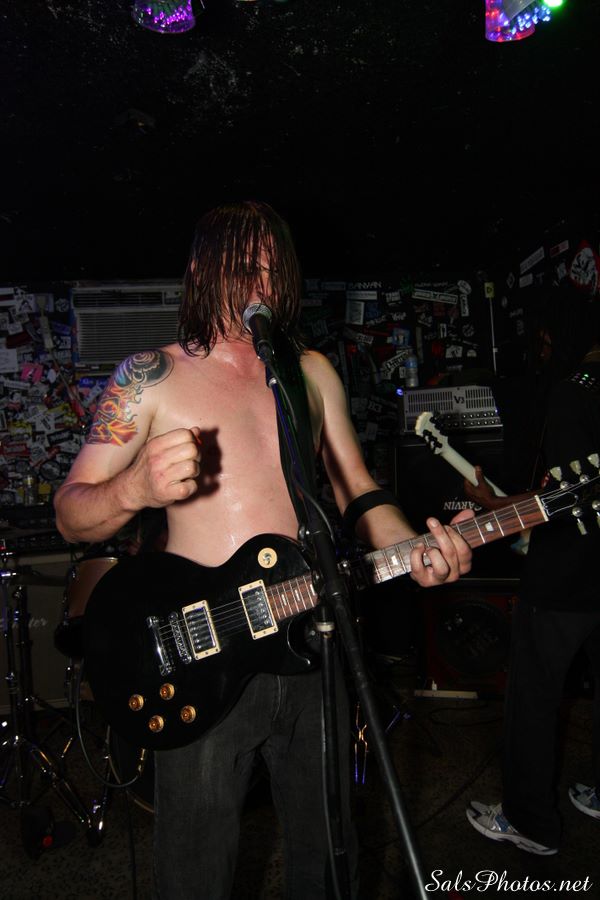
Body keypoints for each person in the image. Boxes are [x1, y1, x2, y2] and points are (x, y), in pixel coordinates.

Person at [54, 200, 472, 899]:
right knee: (197, 864)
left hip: (312, 633)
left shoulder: (310, 373)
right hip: (203, 649)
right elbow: (71, 513)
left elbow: (358, 490)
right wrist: (133, 487)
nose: (261, 285)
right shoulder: (148, 375)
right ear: (200, 272)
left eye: (274, 270)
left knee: (330, 846)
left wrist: (413, 550)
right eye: (243, 266)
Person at [464, 290, 600, 855]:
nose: (541, 351)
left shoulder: (571, 393)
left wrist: (488, 503)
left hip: (565, 576)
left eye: (544, 341)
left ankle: (530, 822)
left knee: (533, 699)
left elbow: (564, 499)